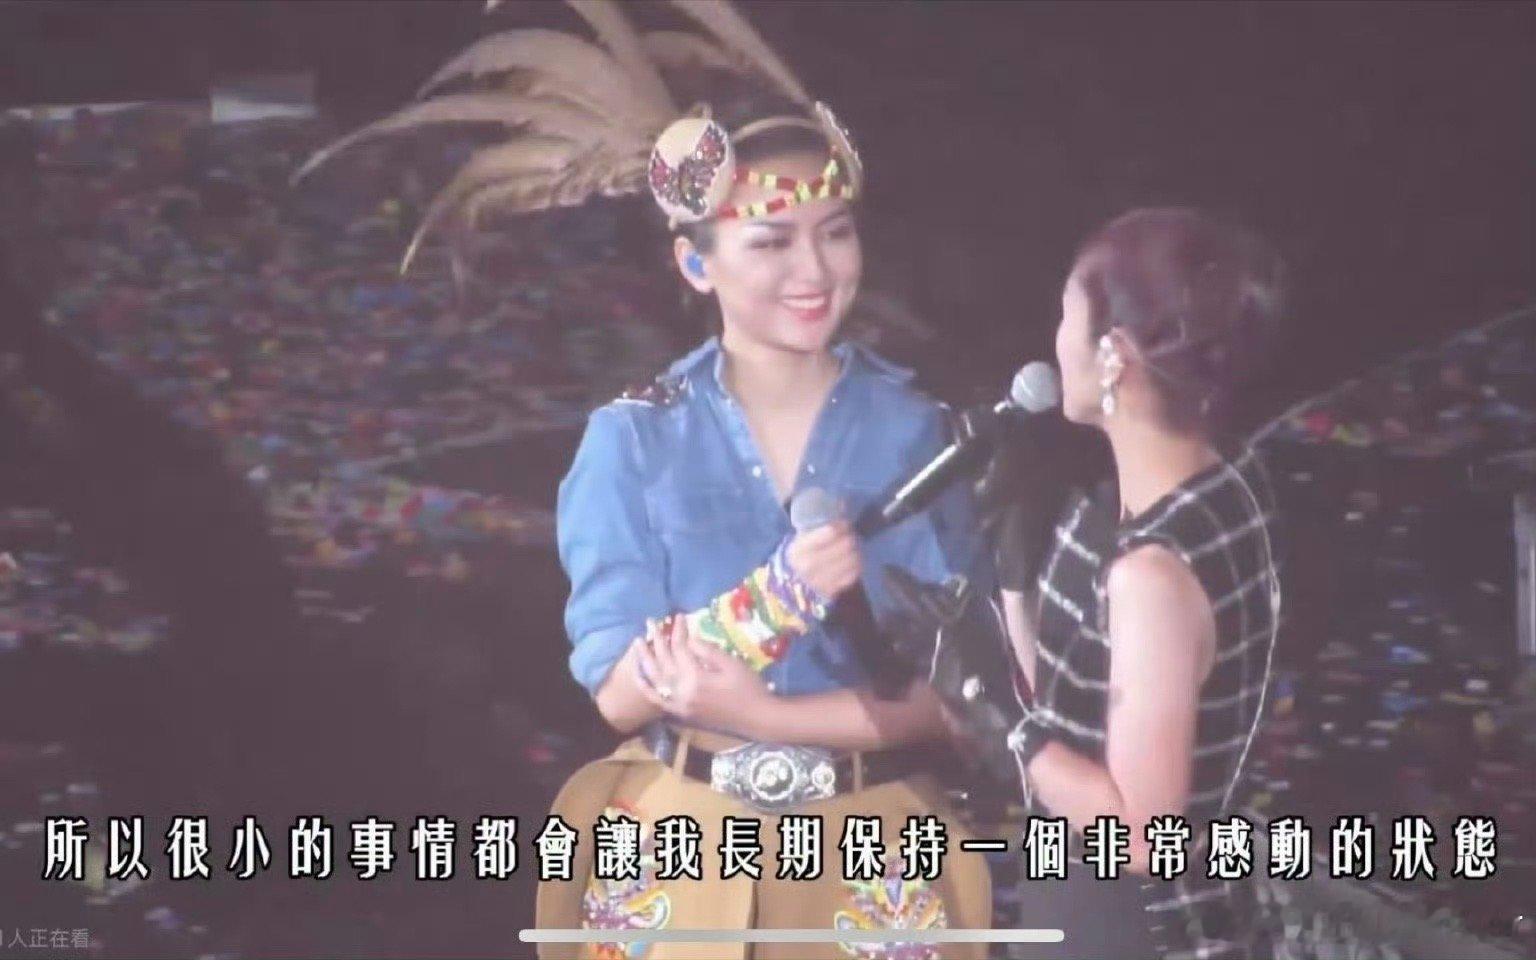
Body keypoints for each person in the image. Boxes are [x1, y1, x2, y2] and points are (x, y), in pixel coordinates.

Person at [295, 3, 997, 957]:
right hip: (682, 840)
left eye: (835, 233)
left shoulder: (916, 429)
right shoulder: (631, 439)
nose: (815, 268)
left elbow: (956, 695)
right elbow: (620, 693)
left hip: (870, 845)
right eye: (771, 241)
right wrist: (778, 600)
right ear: (695, 263)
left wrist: (764, 713)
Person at [1000, 207, 1286, 959]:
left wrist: (993, 713)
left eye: (1066, 318)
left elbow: (1137, 836)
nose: (1054, 342)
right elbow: (1080, 709)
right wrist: (1012, 594)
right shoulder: (1232, 478)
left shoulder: (1151, 576)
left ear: (1114, 354)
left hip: (1142, 930)